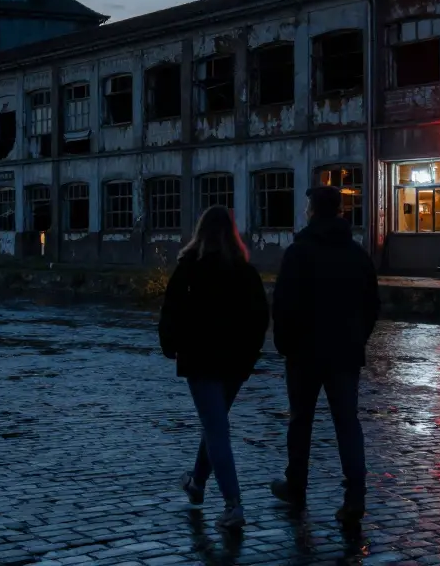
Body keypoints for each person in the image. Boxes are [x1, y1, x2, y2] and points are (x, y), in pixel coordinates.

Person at [269, 185, 380, 524]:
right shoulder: (357, 254)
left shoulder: (298, 253)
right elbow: (372, 305)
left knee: (300, 420)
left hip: (304, 354)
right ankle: (355, 495)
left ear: (313, 211)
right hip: (345, 353)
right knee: (347, 423)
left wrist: (286, 345)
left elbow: (282, 306)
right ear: (340, 212)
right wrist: (357, 337)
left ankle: (297, 484)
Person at [158, 205, 270, 530]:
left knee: (216, 428)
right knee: (215, 423)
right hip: (235, 363)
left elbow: (171, 311)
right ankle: (196, 483)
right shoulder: (245, 272)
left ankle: (233, 504)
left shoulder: (189, 269)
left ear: (200, 231)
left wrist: (170, 345)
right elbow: (260, 317)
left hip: (200, 360)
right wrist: (251, 356)